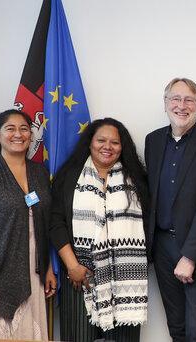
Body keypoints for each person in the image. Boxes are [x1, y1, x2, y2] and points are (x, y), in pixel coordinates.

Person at [49, 118, 149, 342]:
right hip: (79, 276)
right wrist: (72, 266)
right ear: (90, 143)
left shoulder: (137, 180)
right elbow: (56, 223)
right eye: (101, 140)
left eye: (115, 142)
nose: (108, 146)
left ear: (122, 147)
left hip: (125, 282)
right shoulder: (69, 176)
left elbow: (147, 226)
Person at [0, 109, 56, 340]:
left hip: (34, 274)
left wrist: (46, 268)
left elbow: (43, 224)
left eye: (24, 128)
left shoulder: (40, 172)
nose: (18, 134)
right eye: (10, 129)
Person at [144, 77, 196, 341]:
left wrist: (190, 256)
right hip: (162, 244)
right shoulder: (153, 141)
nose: (182, 105)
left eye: (189, 100)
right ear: (165, 104)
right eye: (175, 99)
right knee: (176, 327)